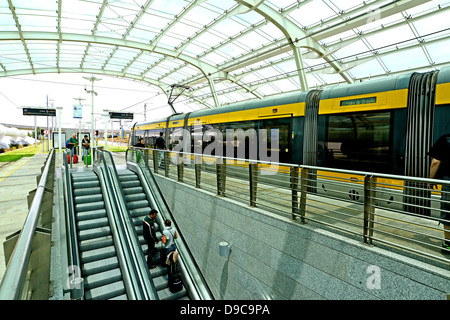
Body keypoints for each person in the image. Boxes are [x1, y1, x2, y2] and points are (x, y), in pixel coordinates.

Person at [428, 133, 450, 253]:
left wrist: (431, 179)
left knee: (447, 212)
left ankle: (448, 244)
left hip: (448, 183)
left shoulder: (445, 139)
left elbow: (435, 162)